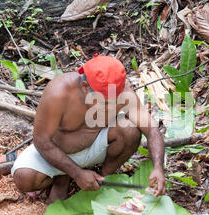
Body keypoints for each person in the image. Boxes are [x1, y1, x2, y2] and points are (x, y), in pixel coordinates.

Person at [12, 54, 166, 204]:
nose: (109, 106)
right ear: (85, 88)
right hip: (57, 152)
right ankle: (62, 179)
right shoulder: (59, 92)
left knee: (130, 130)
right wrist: (77, 173)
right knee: (23, 178)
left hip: (94, 147)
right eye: (104, 102)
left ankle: (103, 179)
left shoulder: (123, 92)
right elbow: (42, 142)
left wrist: (158, 168)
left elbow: (151, 130)